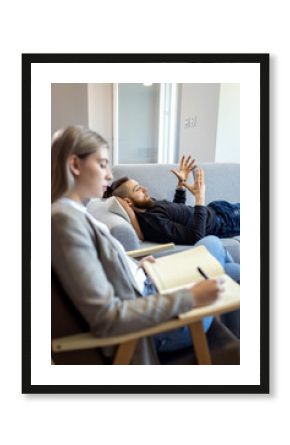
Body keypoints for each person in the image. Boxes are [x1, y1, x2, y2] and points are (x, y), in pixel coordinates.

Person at [51, 126, 239, 364]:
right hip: (157, 329)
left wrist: (135, 267)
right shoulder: (63, 222)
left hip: (150, 289)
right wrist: (191, 297)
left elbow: (107, 268)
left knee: (224, 268)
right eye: (102, 164)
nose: (109, 175)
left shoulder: (76, 213)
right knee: (212, 248)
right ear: (75, 165)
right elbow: (107, 318)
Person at [103, 155, 240, 245]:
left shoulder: (148, 206)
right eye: (137, 189)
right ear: (128, 202)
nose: (144, 189)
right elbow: (196, 237)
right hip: (224, 221)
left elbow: (177, 214)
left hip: (218, 209)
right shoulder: (153, 222)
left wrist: (180, 186)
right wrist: (199, 197)